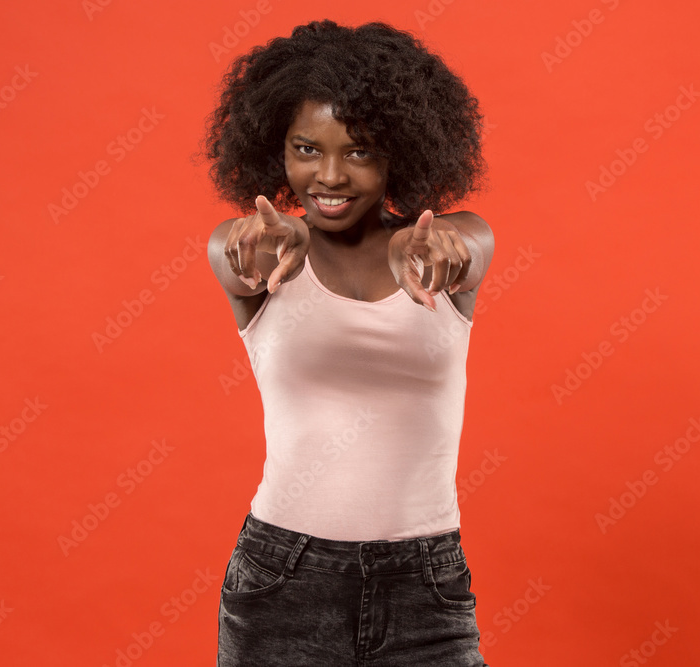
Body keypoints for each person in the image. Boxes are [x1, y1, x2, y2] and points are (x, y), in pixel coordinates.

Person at [197, 18, 494, 666]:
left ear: (399, 151)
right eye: (307, 149)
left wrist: (435, 246)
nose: (329, 175)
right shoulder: (262, 253)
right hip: (281, 579)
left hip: (426, 584)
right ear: (277, 149)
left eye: (358, 152)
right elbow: (231, 252)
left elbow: (471, 242)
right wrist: (276, 240)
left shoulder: (442, 246)